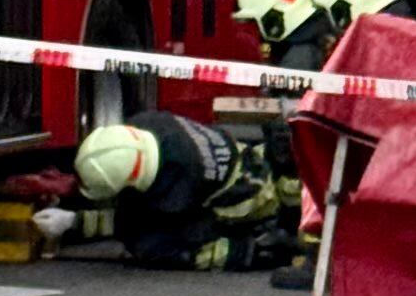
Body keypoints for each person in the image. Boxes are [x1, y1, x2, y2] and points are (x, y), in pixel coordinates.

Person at [73, 111, 297, 272]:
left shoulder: (175, 193)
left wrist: (76, 222)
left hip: (250, 203)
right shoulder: (151, 123)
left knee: (155, 247)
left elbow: (132, 225)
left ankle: (249, 251)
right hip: (250, 161)